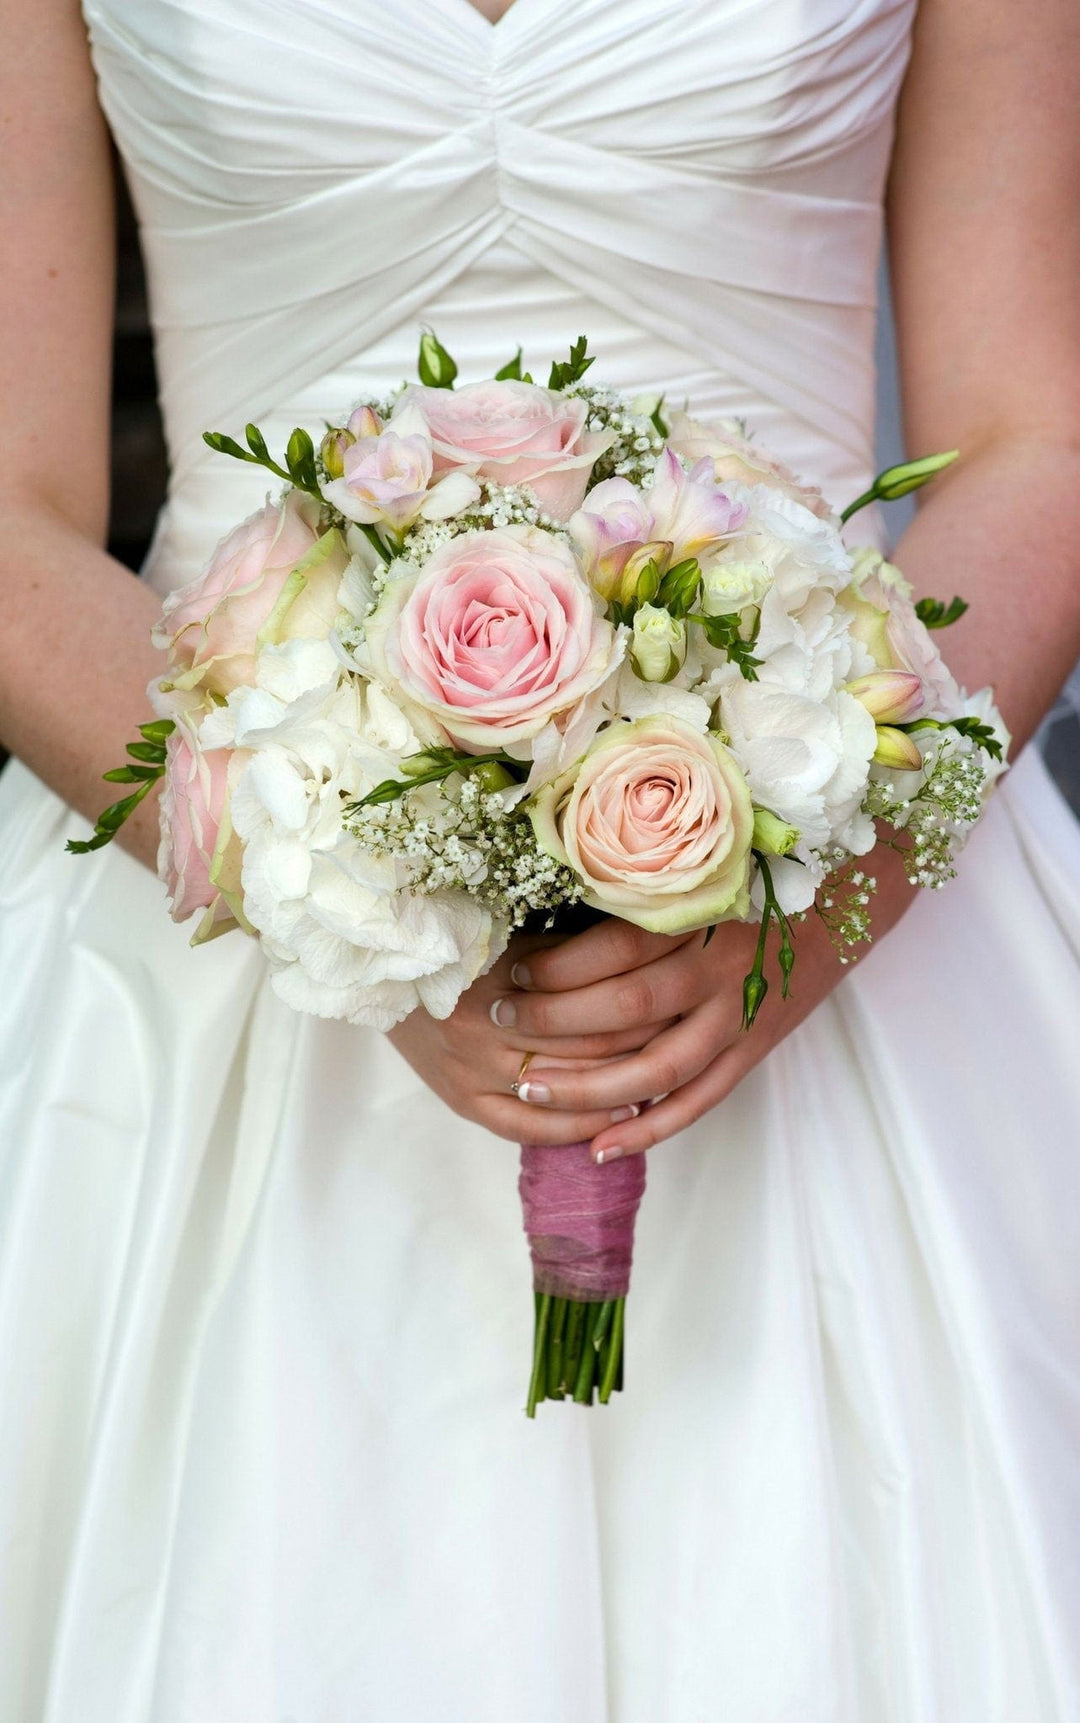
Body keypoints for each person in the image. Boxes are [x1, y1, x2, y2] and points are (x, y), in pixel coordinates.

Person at [1, 0, 1078, 1716]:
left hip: (846, 876)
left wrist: (829, 897)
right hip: (212, 917)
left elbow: (1038, 438)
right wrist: (322, 892)